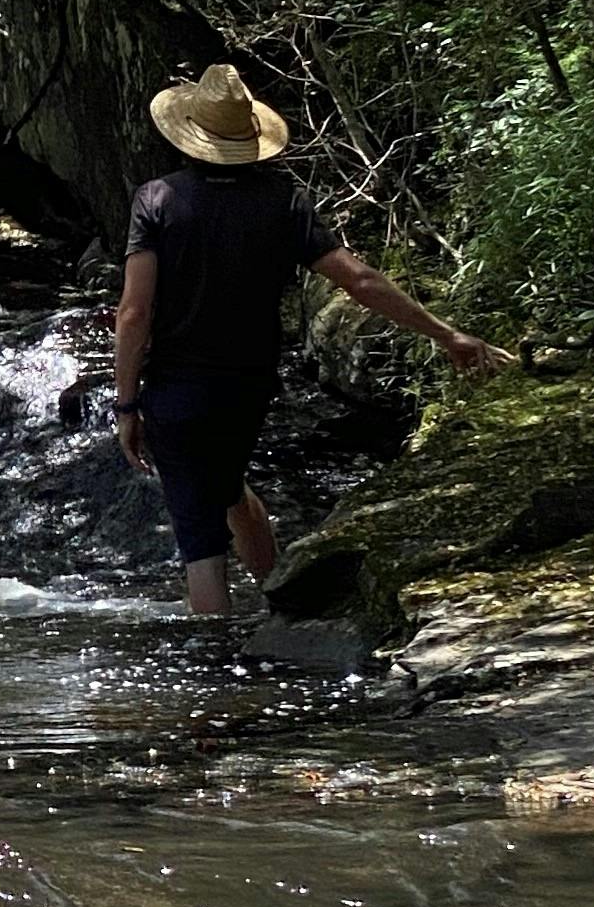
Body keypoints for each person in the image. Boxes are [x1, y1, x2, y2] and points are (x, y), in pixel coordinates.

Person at [111, 60, 512, 627]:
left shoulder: (157, 201)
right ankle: (286, 604)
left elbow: (135, 311)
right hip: (248, 387)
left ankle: (218, 680)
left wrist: (126, 403)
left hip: (177, 391)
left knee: (200, 540)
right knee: (229, 490)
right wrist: (447, 334)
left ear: (189, 136)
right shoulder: (282, 202)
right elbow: (360, 280)